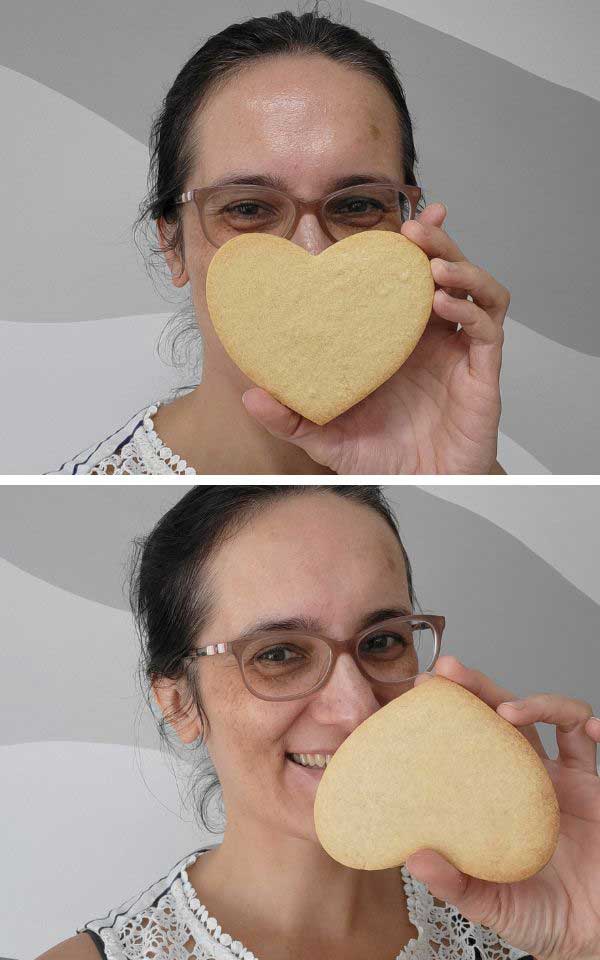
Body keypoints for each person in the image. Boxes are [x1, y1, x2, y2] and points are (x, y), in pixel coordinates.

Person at [38, 486, 600, 960]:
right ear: (180, 702)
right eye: (279, 654)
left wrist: (585, 932)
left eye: (382, 642)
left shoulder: (523, 921)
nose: (356, 708)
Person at [52, 4, 509, 476]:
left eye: (357, 205)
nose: (311, 251)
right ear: (172, 244)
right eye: (248, 208)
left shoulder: (456, 463)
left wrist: (460, 473)